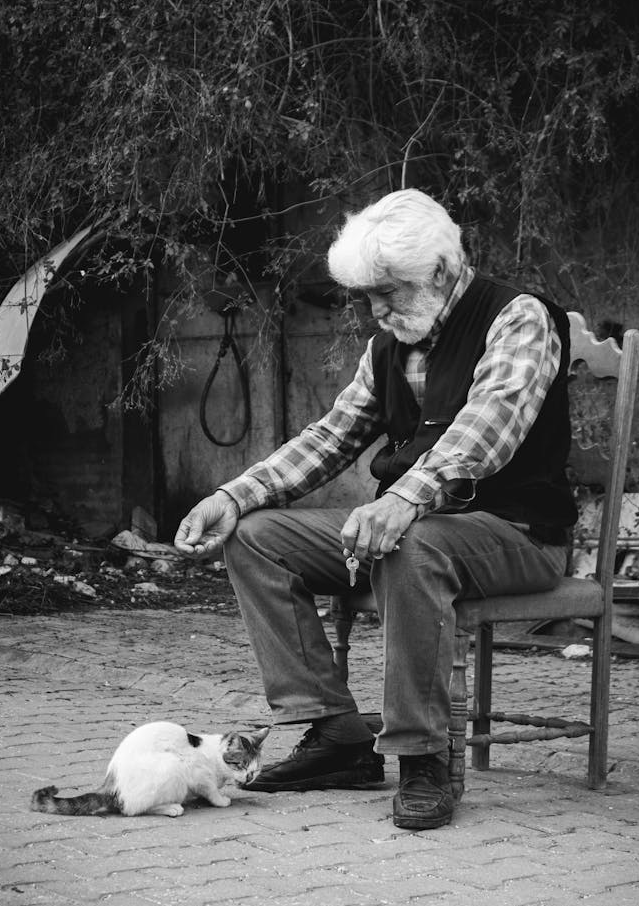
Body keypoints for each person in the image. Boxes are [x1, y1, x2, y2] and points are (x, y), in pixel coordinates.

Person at [174, 188, 578, 830]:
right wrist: (233, 495)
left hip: (517, 533)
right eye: (367, 295)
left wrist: (404, 499)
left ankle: (424, 756)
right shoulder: (389, 344)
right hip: (420, 525)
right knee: (255, 536)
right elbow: (333, 436)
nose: (376, 310)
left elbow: (490, 425)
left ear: (442, 272)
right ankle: (335, 734)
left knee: (410, 544)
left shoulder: (517, 317)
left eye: (389, 292)